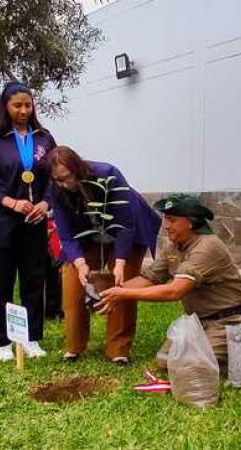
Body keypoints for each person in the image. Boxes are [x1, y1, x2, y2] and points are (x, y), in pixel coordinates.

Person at [97, 194, 241, 373]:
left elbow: (175, 291)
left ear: (191, 222)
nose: (166, 226)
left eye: (172, 220)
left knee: (188, 365)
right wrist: (110, 292)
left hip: (229, 321)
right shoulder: (174, 247)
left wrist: (123, 295)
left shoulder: (207, 246)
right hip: (199, 322)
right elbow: (150, 278)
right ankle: (224, 355)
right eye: (165, 219)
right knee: (165, 361)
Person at [48, 145, 161, 366]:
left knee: (124, 282)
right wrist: (80, 264)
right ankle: (74, 345)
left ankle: (118, 348)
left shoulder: (108, 174)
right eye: (58, 180)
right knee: (71, 276)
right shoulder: (57, 189)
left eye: (68, 177)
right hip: (88, 235)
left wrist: (119, 263)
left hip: (128, 229)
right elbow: (66, 233)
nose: (65, 184)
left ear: (77, 168)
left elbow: (125, 224)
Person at [0, 81, 57, 362]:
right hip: (4, 221)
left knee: (34, 279)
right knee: (3, 283)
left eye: (28, 105)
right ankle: (2, 343)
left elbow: (54, 179)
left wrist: (45, 204)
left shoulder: (44, 138)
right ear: (5, 107)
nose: (23, 110)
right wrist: (11, 202)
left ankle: (32, 339)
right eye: (17, 105)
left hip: (35, 221)